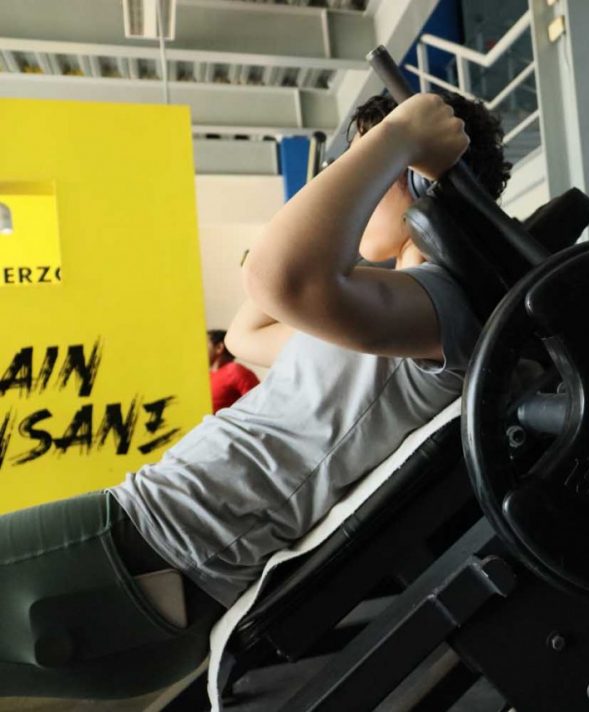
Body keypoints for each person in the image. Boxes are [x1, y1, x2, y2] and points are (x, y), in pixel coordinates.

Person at [0, 91, 511, 700]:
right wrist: (353, 216)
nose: (351, 172)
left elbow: (277, 278)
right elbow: (247, 335)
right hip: (157, 551)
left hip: (158, 547)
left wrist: (397, 135)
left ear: (425, 181)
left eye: (367, 159)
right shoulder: (383, 308)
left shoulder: (436, 305)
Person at [207, 329, 260, 413]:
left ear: (219, 347)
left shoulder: (235, 370)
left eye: (204, 345)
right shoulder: (207, 376)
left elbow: (258, 405)